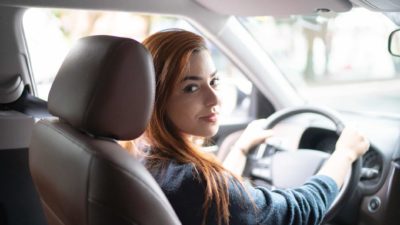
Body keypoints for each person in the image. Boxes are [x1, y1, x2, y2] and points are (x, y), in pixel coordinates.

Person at [120, 29, 369, 225]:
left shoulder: (136, 154)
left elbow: (219, 206)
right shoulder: (192, 180)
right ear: (155, 97)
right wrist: (345, 154)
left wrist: (239, 150)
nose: (214, 99)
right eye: (191, 88)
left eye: (213, 81)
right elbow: (300, 210)